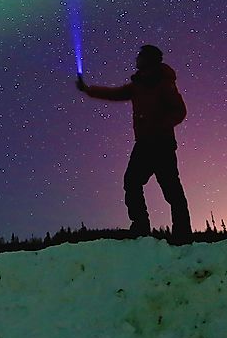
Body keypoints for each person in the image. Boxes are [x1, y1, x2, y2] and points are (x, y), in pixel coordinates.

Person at [77, 44, 192, 241]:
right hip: (144, 145)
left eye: (140, 56)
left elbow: (180, 111)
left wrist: (160, 125)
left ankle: (182, 235)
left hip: (162, 143)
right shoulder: (137, 85)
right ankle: (140, 227)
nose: (136, 58)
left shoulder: (164, 83)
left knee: (171, 190)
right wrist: (89, 90)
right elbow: (115, 94)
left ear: (149, 60)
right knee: (131, 182)